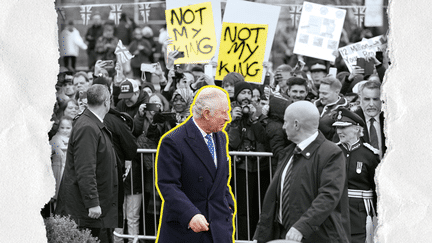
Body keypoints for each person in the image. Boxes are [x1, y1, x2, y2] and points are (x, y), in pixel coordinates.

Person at [253, 101, 350, 243]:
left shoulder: (331, 153)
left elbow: (328, 196)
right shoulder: (289, 152)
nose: (284, 126)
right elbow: (274, 198)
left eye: (286, 122)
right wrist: (260, 235)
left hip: (317, 237)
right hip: (286, 235)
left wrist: (301, 227)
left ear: (296, 124)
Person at [156, 86, 235, 243]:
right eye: (223, 112)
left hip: (218, 228)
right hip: (188, 230)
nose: (228, 118)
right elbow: (168, 185)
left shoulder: (221, 137)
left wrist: (228, 204)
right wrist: (190, 214)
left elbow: (220, 179)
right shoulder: (173, 141)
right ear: (206, 113)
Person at [55, 85, 120, 243]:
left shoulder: (91, 123)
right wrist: (92, 202)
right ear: (107, 102)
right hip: (84, 212)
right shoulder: (88, 126)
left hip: (90, 211)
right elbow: (85, 168)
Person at [333, 108, 380, 243]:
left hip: (359, 214)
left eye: (343, 127)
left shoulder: (369, 155)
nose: (339, 132)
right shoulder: (334, 152)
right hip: (336, 210)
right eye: (337, 128)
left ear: (356, 129)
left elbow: (377, 189)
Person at [355, 80, 386, 158]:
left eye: (375, 99)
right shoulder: (351, 121)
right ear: (360, 99)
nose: (371, 104)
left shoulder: (391, 120)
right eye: (367, 99)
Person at [314, 76, 349, 141]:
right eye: (320, 92)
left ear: (337, 92)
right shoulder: (314, 105)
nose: (321, 96)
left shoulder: (345, 111)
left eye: (325, 93)